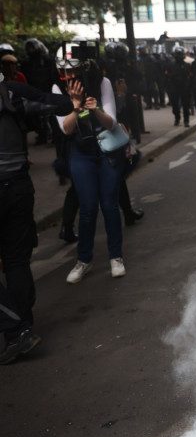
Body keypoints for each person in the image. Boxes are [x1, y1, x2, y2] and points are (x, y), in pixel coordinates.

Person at [0, 74, 73, 364]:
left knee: (16, 260)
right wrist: (75, 98)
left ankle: (17, 330)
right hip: (17, 186)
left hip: (15, 187)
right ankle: (21, 327)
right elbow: (57, 103)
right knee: (16, 260)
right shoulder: (11, 92)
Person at [55, 57, 129, 283]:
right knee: (87, 208)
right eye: (66, 72)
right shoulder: (58, 88)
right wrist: (76, 107)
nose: (72, 77)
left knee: (109, 204)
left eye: (76, 71)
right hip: (81, 153)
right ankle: (84, 260)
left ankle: (115, 257)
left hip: (106, 150)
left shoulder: (102, 82)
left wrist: (94, 107)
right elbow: (66, 129)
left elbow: (111, 122)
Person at [164, 45, 193, 127]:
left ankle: (186, 120)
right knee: (175, 106)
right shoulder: (170, 65)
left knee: (186, 106)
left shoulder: (187, 66)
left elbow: (191, 78)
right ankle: (177, 118)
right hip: (174, 88)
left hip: (184, 88)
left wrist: (190, 88)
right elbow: (166, 77)